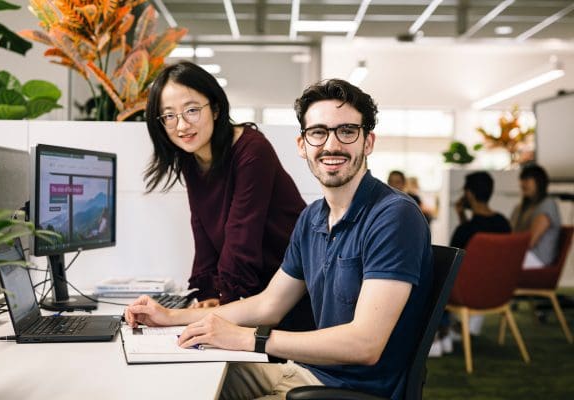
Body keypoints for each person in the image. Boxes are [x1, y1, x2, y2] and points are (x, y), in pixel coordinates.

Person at [127, 79, 432, 399]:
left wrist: (250, 340)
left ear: (368, 142)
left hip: (352, 390)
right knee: (184, 385)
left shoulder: (394, 216)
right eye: (318, 132)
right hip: (306, 371)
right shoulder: (313, 217)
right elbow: (269, 305)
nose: (331, 145)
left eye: (347, 131)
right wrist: (171, 317)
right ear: (302, 145)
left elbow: (365, 344)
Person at [144, 61, 312, 331]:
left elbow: (241, 233)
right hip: (253, 296)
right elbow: (202, 229)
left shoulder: (252, 150)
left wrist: (226, 299)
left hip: (292, 289)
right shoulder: (191, 157)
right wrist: (208, 293)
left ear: (216, 108)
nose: (182, 125)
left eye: (192, 110)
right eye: (169, 116)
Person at [432, 171, 511, 356]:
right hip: (499, 291)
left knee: (437, 278)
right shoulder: (503, 224)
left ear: (469, 194)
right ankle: (452, 331)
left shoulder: (466, 231)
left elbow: (453, 263)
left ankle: (440, 335)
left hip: (468, 294)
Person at [511, 164, 561, 269]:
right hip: (524, 255)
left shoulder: (547, 204)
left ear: (539, 182)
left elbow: (530, 241)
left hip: (537, 258)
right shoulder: (521, 208)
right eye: (522, 180)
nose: (522, 184)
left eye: (527, 179)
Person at [450, 171, 511, 249]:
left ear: (469, 193)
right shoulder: (503, 223)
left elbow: (455, 258)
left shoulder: (464, 232)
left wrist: (461, 215)